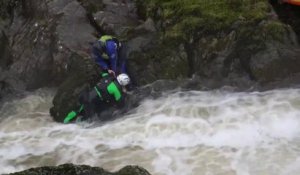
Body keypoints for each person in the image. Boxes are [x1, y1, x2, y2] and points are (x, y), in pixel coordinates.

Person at [63, 73, 131, 123]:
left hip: (86, 95)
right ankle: (74, 127)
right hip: (92, 103)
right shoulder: (116, 89)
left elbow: (103, 74)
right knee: (87, 120)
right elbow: (120, 102)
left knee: (77, 110)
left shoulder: (108, 76)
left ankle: (64, 122)